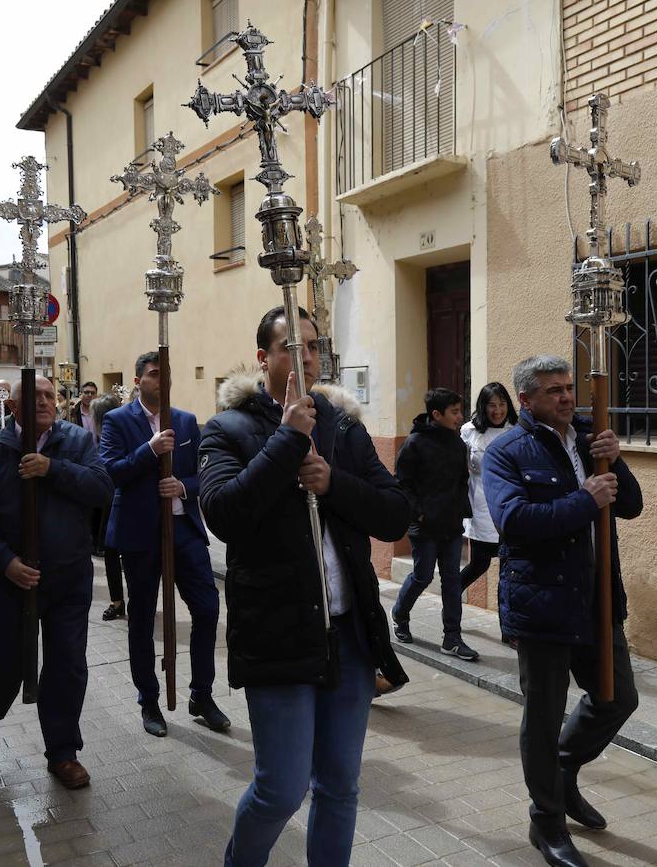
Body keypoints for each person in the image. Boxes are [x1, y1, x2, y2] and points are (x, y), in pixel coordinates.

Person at [199, 306, 411, 867]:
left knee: (340, 787)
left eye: (315, 345)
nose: (307, 355)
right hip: (279, 632)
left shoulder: (343, 428)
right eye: (292, 345)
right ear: (263, 357)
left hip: (349, 636)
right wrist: (288, 441)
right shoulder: (228, 430)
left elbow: (394, 515)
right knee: (281, 790)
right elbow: (223, 514)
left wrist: (333, 482)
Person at [482, 355, 643, 867]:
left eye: (569, 388)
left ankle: (564, 772)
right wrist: (584, 498)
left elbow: (631, 505)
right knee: (544, 719)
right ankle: (546, 823)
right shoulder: (506, 450)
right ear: (525, 400)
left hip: (597, 601)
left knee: (617, 698)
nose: (567, 398)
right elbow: (515, 521)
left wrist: (614, 460)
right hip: (542, 606)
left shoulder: (590, 439)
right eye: (554, 391)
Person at [0, 374, 112, 789]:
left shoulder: (77, 442)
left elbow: (101, 489)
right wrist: (5, 562)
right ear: (15, 406)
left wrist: (52, 470)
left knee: (67, 666)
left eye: (49, 395)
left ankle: (63, 753)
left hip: (68, 580)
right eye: (34, 396)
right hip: (11, 581)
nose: (43, 401)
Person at [100, 352, 227, 738]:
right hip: (140, 533)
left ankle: (201, 695)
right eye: (155, 374)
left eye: (166, 373)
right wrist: (150, 450)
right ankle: (149, 699)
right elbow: (110, 474)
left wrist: (184, 487)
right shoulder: (117, 420)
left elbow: (206, 473)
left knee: (207, 609)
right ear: (138, 380)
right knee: (141, 619)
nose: (162, 379)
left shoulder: (187, 420)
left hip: (183, 529)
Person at [390, 387, 477, 661]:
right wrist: (419, 514)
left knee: (451, 580)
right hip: (425, 527)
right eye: (454, 412)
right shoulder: (414, 444)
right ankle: (400, 615)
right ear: (436, 414)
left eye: (459, 411)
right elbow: (402, 483)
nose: (459, 417)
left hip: (451, 526)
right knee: (423, 575)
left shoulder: (457, 442)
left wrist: (461, 509)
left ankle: (452, 637)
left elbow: (462, 480)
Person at [459, 382, 518, 598]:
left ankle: (507, 620)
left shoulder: (516, 429)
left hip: (512, 505)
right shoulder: (469, 431)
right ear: (483, 407)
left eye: (502, 404)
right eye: (491, 405)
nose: (497, 410)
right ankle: (451, 600)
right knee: (479, 564)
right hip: (482, 506)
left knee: (510, 566)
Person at [88, 394, 126, 621]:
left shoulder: (109, 435)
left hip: (111, 499)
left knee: (112, 552)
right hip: (112, 497)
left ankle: (118, 602)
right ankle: (120, 600)